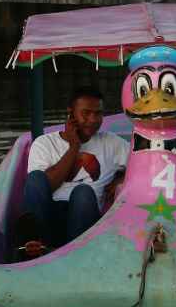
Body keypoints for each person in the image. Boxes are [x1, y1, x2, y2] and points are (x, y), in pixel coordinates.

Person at [17, 86, 129, 258]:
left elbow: (143, 166)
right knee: (36, 178)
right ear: (71, 114)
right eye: (86, 113)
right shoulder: (44, 143)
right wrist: (74, 146)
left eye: (98, 113)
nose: (93, 120)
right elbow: (47, 186)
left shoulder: (113, 144)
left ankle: (72, 255)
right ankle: (34, 249)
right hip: (48, 217)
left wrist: (120, 178)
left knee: (83, 192)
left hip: (84, 221)